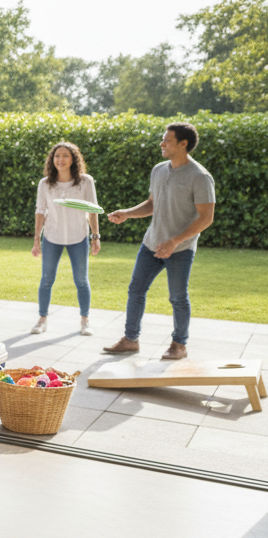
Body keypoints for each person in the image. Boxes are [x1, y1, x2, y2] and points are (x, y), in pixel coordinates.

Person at [104, 122, 215, 361]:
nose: (161, 143)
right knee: (136, 290)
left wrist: (174, 241)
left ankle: (179, 345)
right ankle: (130, 340)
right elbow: (152, 204)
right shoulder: (158, 170)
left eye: (167, 140)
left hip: (180, 249)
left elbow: (206, 218)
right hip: (151, 243)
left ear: (183, 144)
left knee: (177, 297)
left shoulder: (200, 177)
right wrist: (127, 212)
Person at [31, 142, 101, 336]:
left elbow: (92, 209)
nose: (60, 160)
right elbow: (40, 211)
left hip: (78, 236)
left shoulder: (85, 181)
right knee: (46, 279)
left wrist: (95, 237)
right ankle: (42, 319)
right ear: (52, 160)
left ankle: (85, 321)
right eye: (57, 156)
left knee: (81, 280)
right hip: (52, 237)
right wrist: (37, 239)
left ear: (73, 159)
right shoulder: (45, 184)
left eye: (65, 156)